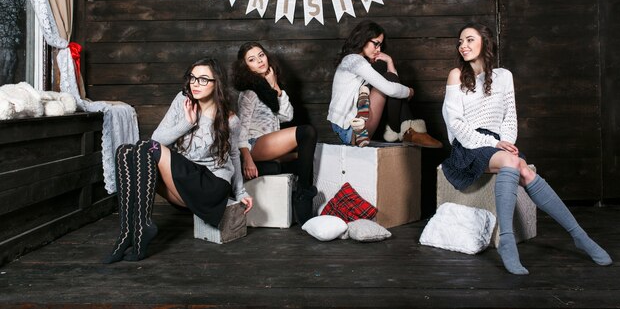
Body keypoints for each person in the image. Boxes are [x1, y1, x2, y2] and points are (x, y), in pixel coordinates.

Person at [442, 23, 612, 275]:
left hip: (498, 143)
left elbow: (509, 118)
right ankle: (508, 240)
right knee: (514, 164)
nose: (463, 46)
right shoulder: (456, 75)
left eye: (469, 40)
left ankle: (579, 236)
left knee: (525, 171)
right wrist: (492, 144)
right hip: (468, 144)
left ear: (485, 43)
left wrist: (506, 142)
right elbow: (454, 122)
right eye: (460, 42)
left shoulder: (504, 76)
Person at [104, 57, 253, 263]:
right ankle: (129, 233)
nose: (195, 84)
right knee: (125, 152)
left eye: (203, 79)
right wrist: (187, 122)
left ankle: (139, 230)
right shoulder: (182, 101)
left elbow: (234, 155)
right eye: (192, 78)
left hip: (210, 186)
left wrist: (240, 192)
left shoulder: (230, 120)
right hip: (182, 180)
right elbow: (158, 138)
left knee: (145, 148)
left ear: (216, 82)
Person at [232, 42, 318, 225]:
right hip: (253, 145)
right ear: (246, 67)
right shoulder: (249, 92)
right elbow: (241, 130)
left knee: (305, 157)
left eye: (261, 55)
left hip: (269, 145)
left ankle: (301, 205)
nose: (260, 61)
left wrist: (275, 86)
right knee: (307, 132)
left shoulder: (269, 88)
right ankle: (303, 197)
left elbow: (287, 115)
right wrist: (247, 159)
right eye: (252, 60)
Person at [328, 20, 442, 148]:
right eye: (376, 44)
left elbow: (394, 85)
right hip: (352, 131)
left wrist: (389, 61)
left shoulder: (353, 60)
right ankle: (409, 131)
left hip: (348, 129)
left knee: (390, 81)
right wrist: (409, 91)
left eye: (380, 45)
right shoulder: (354, 60)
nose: (379, 49)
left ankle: (408, 131)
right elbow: (391, 89)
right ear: (363, 39)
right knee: (390, 83)